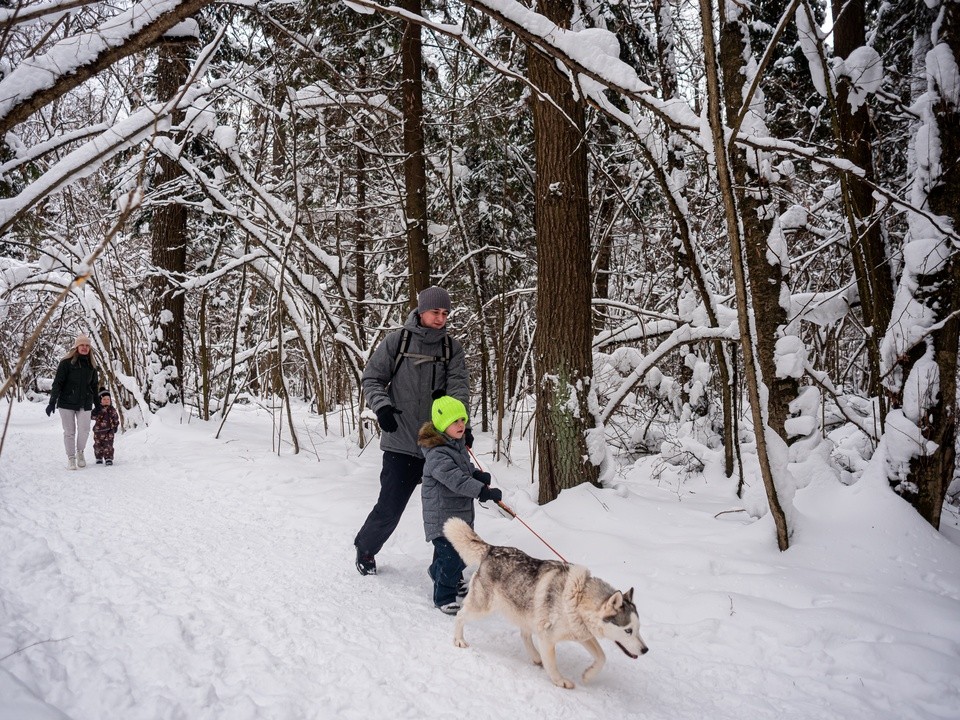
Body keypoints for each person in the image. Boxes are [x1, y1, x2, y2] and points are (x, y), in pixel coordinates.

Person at [354, 286, 470, 576]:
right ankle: (366, 548)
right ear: (421, 311)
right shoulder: (397, 341)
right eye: (435, 312)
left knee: (446, 512)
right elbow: (372, 378)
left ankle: (443, 570)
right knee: (390, 507)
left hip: (439, 444)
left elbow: (459, 388)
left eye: (445, 313)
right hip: (401, 441)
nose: (441, 318)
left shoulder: (451, 348)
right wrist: (382, 408)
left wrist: (460, 423)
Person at [418, 395, 501, 614]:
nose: (461, 424)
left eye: (463, 420)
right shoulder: (437, 453)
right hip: (441, 516)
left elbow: (464, 471)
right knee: (454, 556)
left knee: (452, 555)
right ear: (442, 425)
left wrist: (477, 475)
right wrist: (482, 491)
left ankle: (439, 573)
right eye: (455, 421)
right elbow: (455, 479)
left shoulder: (456, 446)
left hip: (457, 515)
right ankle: (443, 596)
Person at [46, 333, 100, 470]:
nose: (84, 347)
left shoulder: (92, 366)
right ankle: (71, 457)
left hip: (85, 402)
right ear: (76, 347)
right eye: (82, 345)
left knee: (85, 430)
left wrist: (98, 404)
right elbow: (57, 383)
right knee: (69, 431)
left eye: (87, 345)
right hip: (66, 402)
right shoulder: (66, 363)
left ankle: (80, 452)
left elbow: (94, 386)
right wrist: (52, 401)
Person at [93, 389, 120, 465]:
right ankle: (98, 457)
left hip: (109, 432)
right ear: (100, 401)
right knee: (98, 445)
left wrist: (115, 426)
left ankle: (108, 458)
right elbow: (92, 417)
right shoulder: (98, 409)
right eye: (104, 399)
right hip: (98, 432)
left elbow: (116, 418)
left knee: (108, 445)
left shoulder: (112, 409)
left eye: (108, 399)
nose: (106, 401)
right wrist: (94, 412)